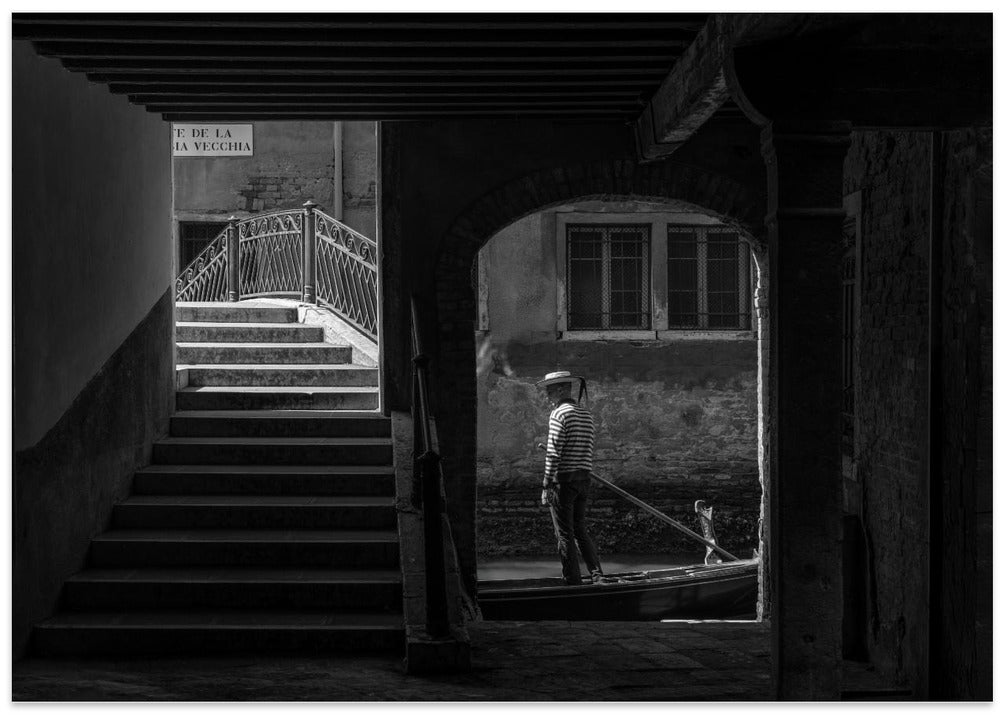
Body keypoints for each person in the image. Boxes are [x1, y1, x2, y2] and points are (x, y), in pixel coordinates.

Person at [535, 370, 604, 586]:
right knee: (580, 530)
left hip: (563, 483)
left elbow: (554, 453)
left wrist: (546, 484)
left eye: (550, 390)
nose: (547, 395)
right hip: (583, 480)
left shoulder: (559, 414)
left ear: (562, 389)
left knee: (564, 534)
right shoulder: (586, 415)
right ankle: (597, 576)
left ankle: (573, 581)